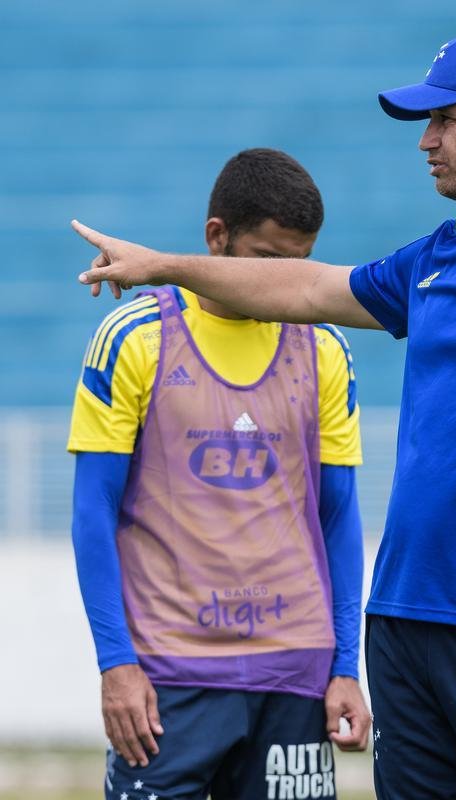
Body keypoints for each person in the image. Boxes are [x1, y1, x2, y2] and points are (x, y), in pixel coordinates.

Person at [73, 30, 456, 799]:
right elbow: (304, 290)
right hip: (403, 622)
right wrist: (162, 265)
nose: (427, 141)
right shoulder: (438, 257)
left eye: (446, 120)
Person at [68, 148, 371, 800]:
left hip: (295, 676)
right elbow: (92, 510)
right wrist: (116, 663)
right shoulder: (134, 336)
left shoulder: (324, 347)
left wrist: (346, 666)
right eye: (269, 260)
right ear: (216, 236)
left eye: (301, 262)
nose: (286, 281)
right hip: (170, 676)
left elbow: (341, 516)